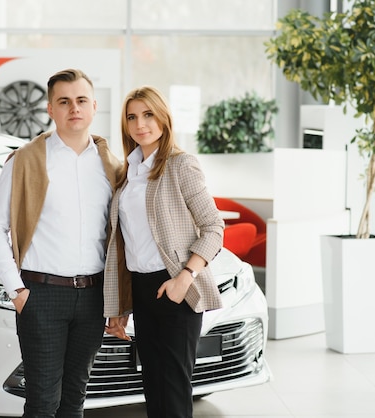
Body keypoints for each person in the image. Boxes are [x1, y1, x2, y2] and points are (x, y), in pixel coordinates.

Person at [0, 68, 121, 418]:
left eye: (80, 100)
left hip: (92, 297)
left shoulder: (111, 166)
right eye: (64, 101)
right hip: (40, 294)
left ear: (93, 107)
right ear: (50, 109)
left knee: (74, 399)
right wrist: (17, 290)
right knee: (43, 403)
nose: (73, 108)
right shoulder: (25, 161)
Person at [103, 86, 225, 418]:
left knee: (172, 391)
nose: (140, 124)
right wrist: (120, 304)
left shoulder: (180, 165)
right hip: (143, 291)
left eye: (148, 115)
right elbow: (125, 245)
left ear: (163, 118)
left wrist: (185, 278)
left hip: (175, 288)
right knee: (153, 388)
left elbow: (214, 228)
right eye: (132, 117)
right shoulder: (128, 172)